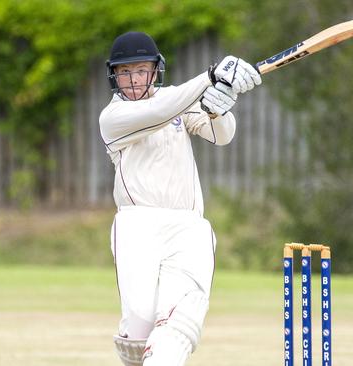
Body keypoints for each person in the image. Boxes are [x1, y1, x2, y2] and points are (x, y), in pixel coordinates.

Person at [98, 31, 261, 366]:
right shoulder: (113, 118)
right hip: (136, 225)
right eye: (125, 72)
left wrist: (219, 107)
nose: (133, 79)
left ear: (155, 70)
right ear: (114, 75)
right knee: (140, 326)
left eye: (141, 70)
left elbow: (222, 136)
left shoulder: (177, 102)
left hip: (187, 224)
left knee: (178, 323)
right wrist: (211, 78)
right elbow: (159, 111)